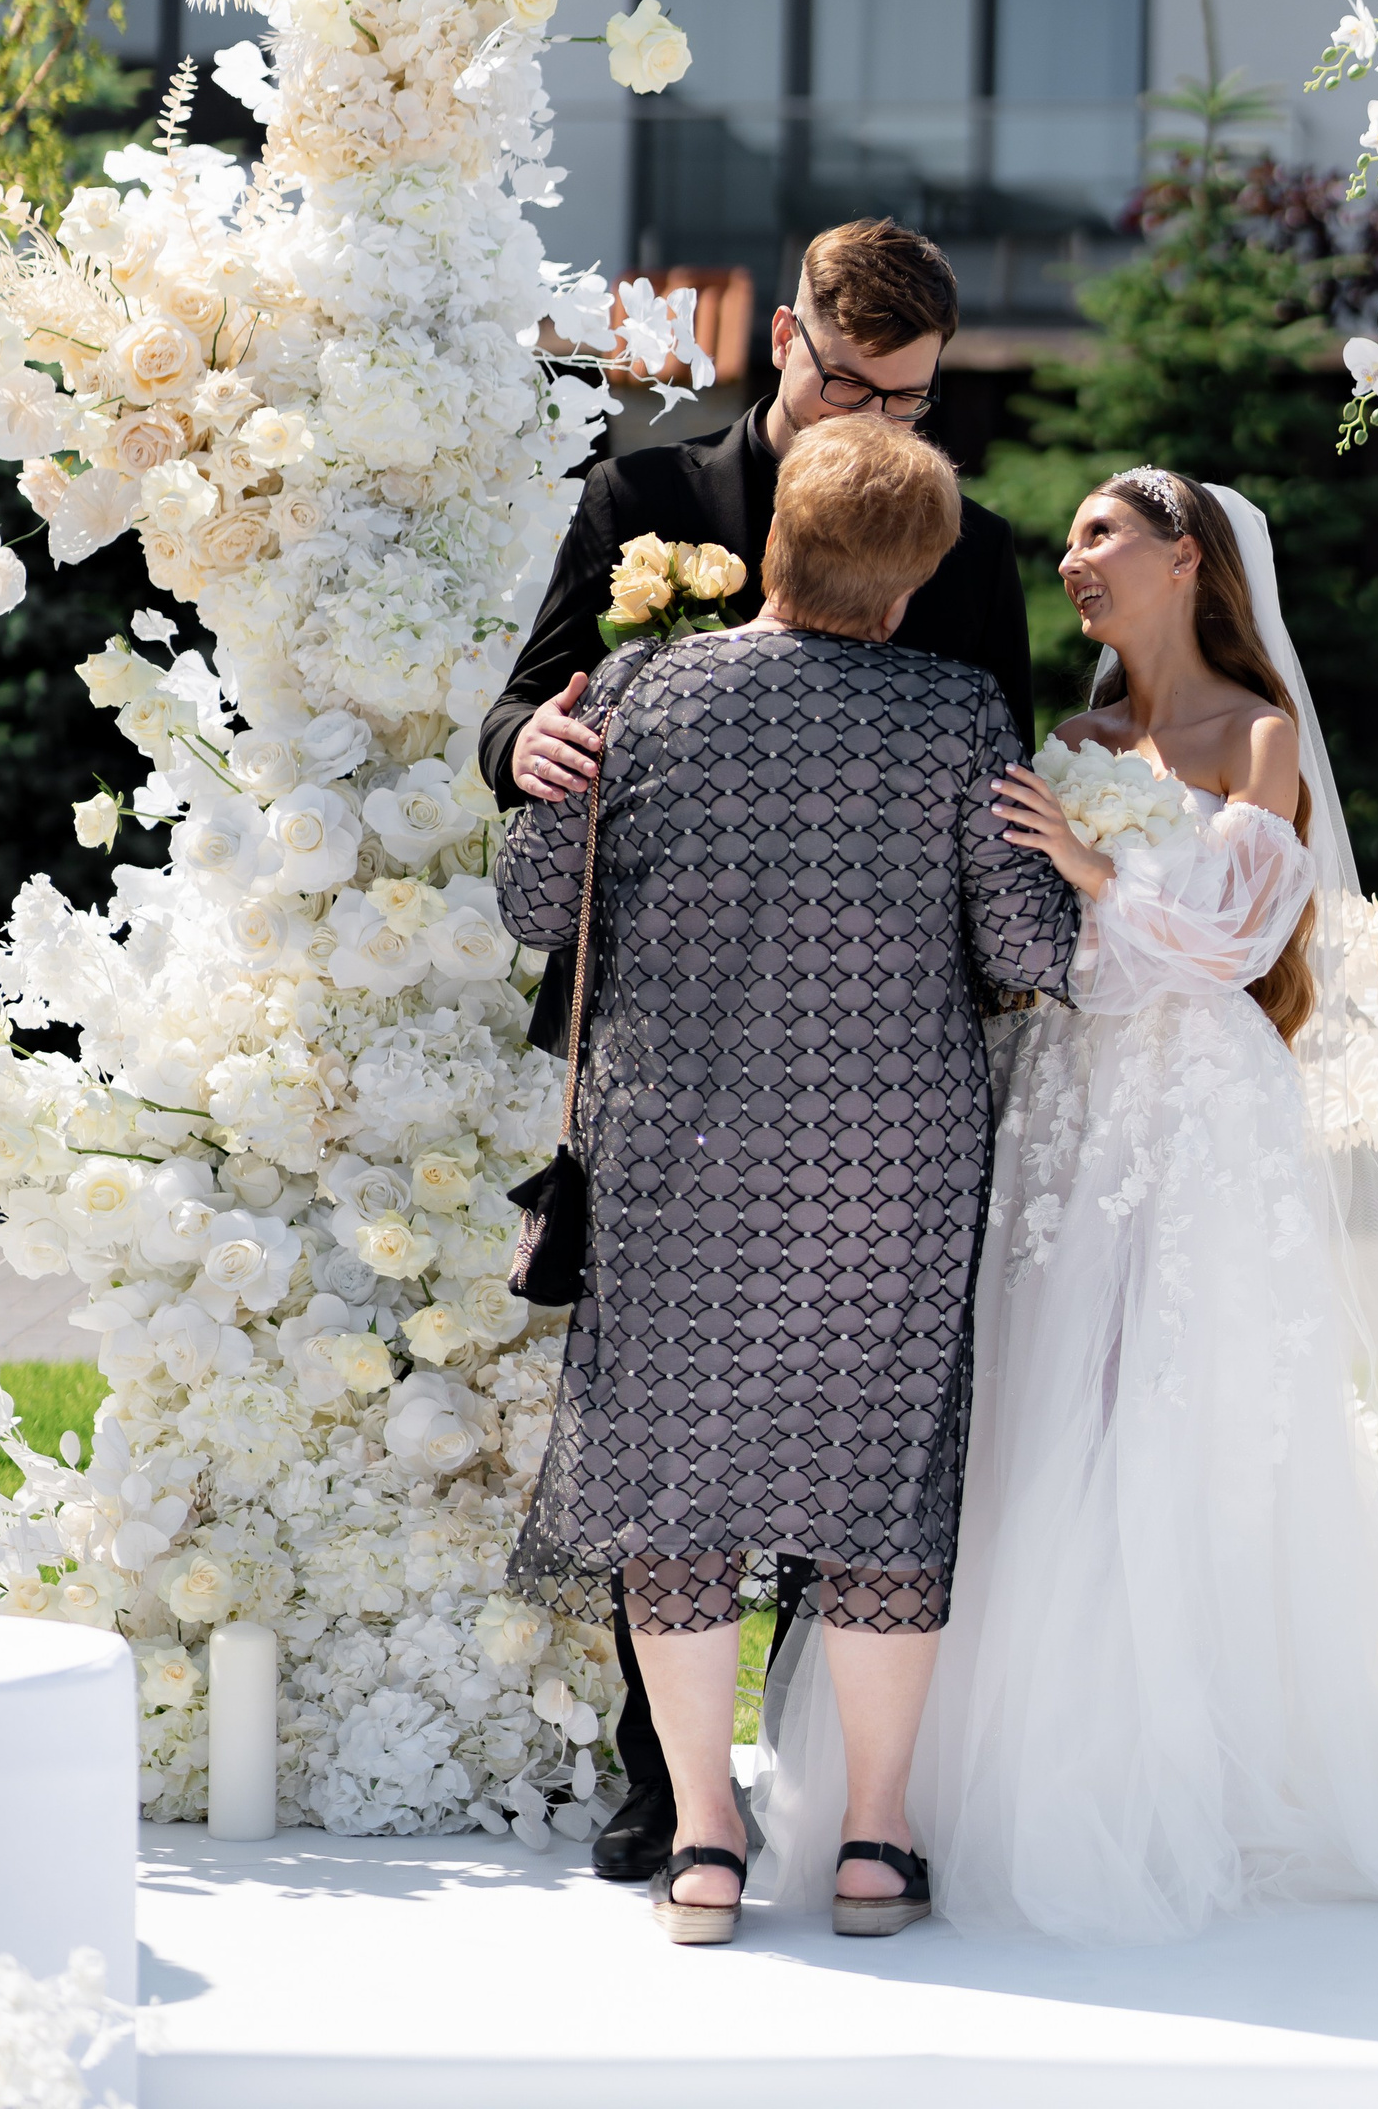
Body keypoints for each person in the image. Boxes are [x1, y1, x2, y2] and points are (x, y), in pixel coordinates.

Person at [749, 467, 1378, 1939]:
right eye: (1071, 540)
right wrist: (1084, 904)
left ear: (1185, 558)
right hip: (1068, 1100)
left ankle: (1196, 1762)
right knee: (1044, 1395)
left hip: (1202, 1112)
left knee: (1189, 1398)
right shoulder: (1068, 741)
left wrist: (1093, 870)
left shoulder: (1261, 737)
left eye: (1101, 535)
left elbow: (1234, 943)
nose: (1073, 561)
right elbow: (1030, 941)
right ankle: (975, 1776)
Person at [480, 216, 1033, 1881]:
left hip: (856, 1051)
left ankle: (786, 1783)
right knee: (711, 1429)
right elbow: (523, 707)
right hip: (689, 1044)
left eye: (915, 397)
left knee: (754, 1419)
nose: (885, 417)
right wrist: (532, 759)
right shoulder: (646, 498)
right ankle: (679, 1790)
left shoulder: (968, 545)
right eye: (859, 382)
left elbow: (994, 785)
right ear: (787, 338)